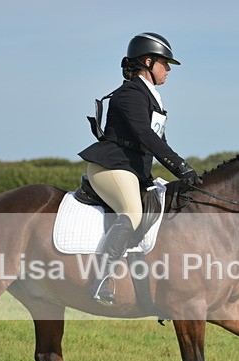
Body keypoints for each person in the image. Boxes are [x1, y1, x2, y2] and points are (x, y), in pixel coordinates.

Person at [78, 32, 201, 306]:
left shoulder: (153, 98)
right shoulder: (130, 94)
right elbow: (146, 136)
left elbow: (160, 141)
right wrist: (181, 168)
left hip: (134, 171)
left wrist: (186, 172)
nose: (168, 69)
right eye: (164, 63)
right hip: (111, 166)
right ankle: (99, 281)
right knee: (132, 213)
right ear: (148, 61)